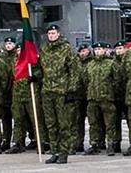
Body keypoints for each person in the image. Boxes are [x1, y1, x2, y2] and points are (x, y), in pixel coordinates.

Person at [40, 24, 79, 164]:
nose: (51, 35)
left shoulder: (66, 48)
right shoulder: (45, 49)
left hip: (62, 91)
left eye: (53, 33)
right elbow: (41, 68)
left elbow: (74, 69)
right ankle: (54, 151)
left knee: (64, 124)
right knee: (51, 124)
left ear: (59, 34)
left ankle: (63, 152)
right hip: (47, 91)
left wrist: (71, 89)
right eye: (49, 33)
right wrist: (35, 76)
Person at [6, 44, 46, 154]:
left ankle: (41, 142)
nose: (19, 51)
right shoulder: (14, 60)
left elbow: (40, 71)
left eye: (21, 49)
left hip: (31, 93)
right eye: (18, 49)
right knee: (18, 120)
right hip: (17, 94)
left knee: (36, 120)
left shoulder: (32, 59)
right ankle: (18, 143)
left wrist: (35, 76)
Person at [84, 42, 123, 156]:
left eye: (100, 49)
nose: (98, 51)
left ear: (104, 50)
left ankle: (111, 144)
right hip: (92, 97)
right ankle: (94, 144)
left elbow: (118, 81)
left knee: (110, 123)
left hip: (107, 98)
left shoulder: (111, 64)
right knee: (93, 123)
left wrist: (110, 91)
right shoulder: (90, 64)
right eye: (96, 49)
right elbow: (85, 79)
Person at [0, 37, 18, 151]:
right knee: (5, 118)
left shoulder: (17, 56)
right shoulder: (2, 57)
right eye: (7, 43)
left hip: (16, 91)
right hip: (5, 91)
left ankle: (18, 141)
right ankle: (6, 139)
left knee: (18, 118)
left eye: (11, 43)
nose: (8, 45)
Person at [74, 43, 92, 153]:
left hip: (90, 95)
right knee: (77, 121)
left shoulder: (92, 62)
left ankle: (96, 143)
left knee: (93, 121)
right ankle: (78, 143)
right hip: (78, 96)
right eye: (81, 51)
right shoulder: (75, 63)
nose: (82, 53)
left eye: (84, 51)